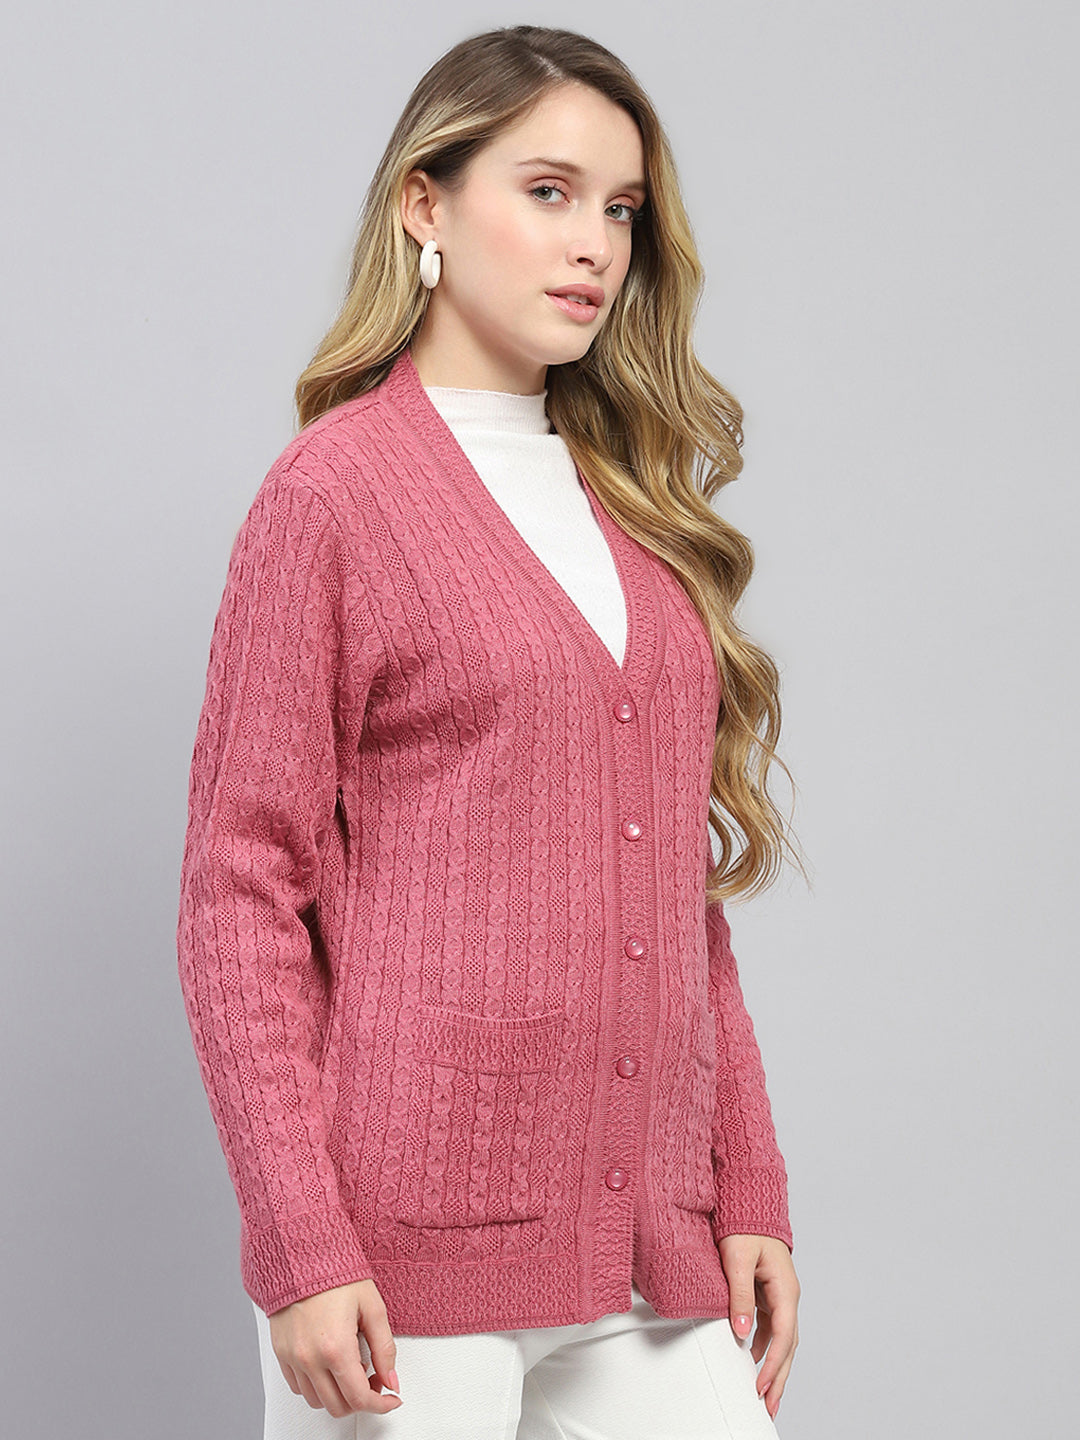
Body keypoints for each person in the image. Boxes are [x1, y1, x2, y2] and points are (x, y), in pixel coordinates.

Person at [176, 23, 803, 1440]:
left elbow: (677, 900)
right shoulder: (333, 496)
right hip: (399, 1259)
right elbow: (239, 892)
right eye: (549, 191)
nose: (594, 245)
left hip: (649, 1243)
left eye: (621, 210)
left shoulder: (640, 517)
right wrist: (299, 1240)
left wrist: (746, 1186)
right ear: (427, 205)